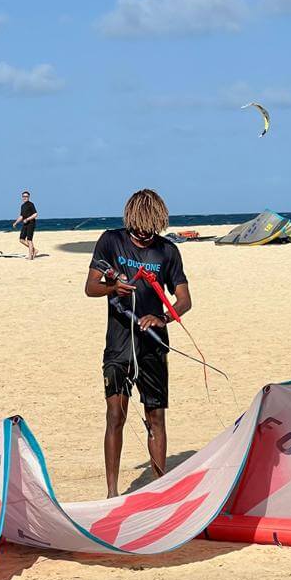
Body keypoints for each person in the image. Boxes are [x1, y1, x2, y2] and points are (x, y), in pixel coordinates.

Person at [84, 188, 192, 498]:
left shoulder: (168, 251)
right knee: (115, 415)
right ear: (130, 221)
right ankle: (111, 493)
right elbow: (90, 287)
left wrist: (165, 319)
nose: (143, 236)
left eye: (149, 232)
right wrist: (112, 288)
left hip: (153, 344)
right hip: (119, 343)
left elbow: (184, 300)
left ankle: (159, 490)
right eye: (138, 230)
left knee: (155, 417)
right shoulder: (111, 241)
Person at [12, 190, 38, 259]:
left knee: (29, 240)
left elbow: (35, 214)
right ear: (22, 197)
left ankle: (30, 256)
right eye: (23, 196)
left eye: (26, 196)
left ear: (29, 197)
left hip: (31, 223)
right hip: (25, 224)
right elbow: (21, 216)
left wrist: (27, 219)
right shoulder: (22, 206)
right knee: (21, 239)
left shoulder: (31, 204)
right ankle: (34, 250)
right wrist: (16, 222)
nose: (25, 197)